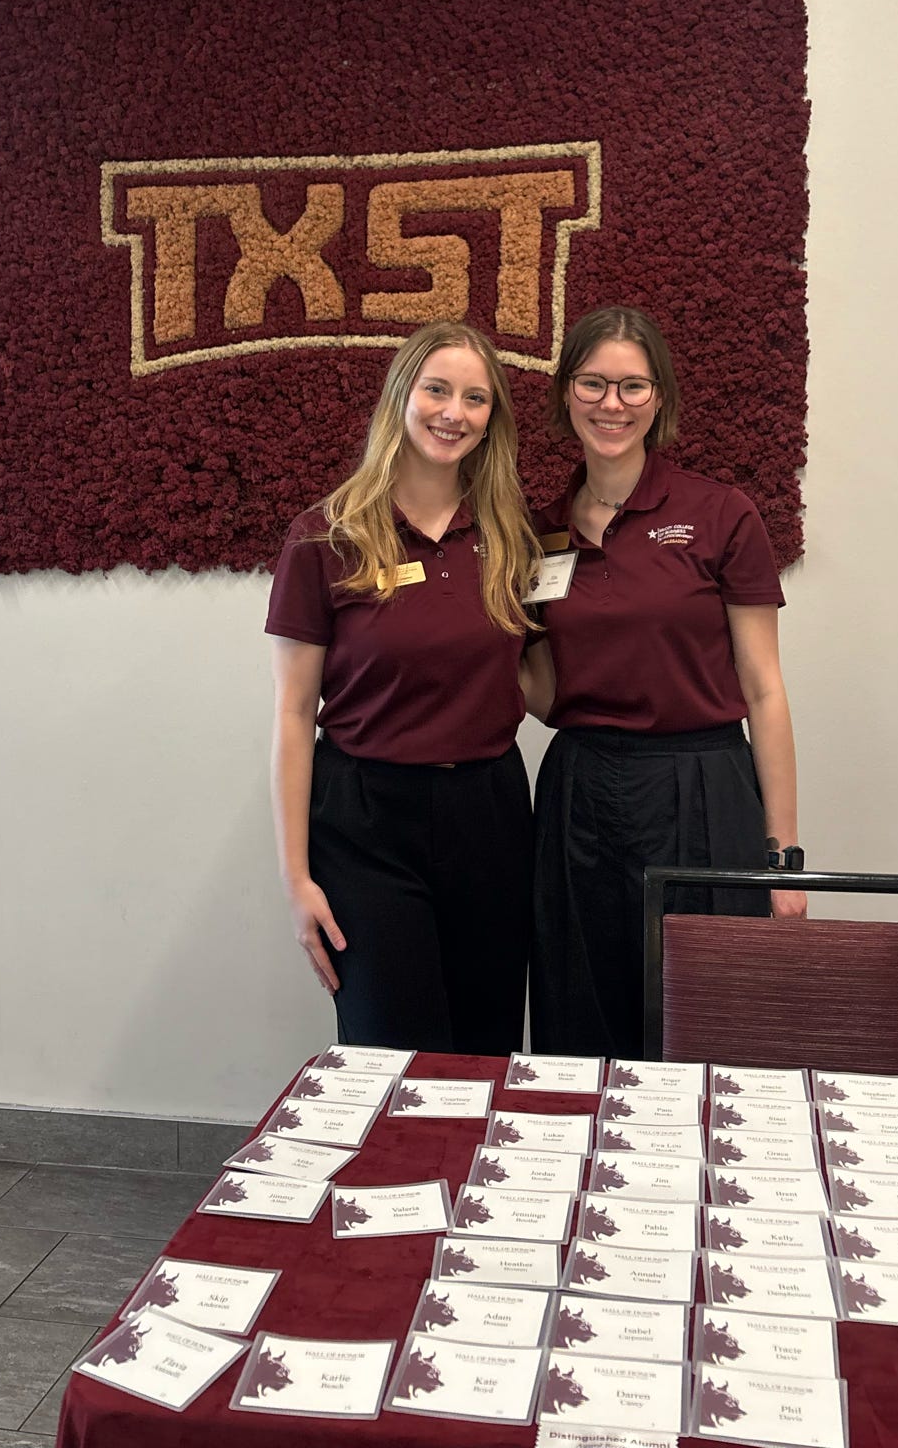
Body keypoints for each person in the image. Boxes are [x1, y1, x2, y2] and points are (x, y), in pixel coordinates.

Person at [523, 304, 805, 1059]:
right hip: (580, 792)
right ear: (565, 395)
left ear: (660, 399)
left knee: (709, 1021)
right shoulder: (539, 531)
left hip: (702, 789)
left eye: (632, 386)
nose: (611, 404)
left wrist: (783, 858)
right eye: (592, 384)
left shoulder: (721, 515)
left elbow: (764, 689)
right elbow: (548, 697)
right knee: (581, 1019)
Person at [265, 321, 539, 1053]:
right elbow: (294, 715)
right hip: (365, 825)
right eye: (438, 390)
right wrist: (296, 880)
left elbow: (536, 677)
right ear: (401, 396)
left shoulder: (514, 537)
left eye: (476, 399)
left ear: (492, 420)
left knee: (486, 1049)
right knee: (394, 1058)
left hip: (491, 813)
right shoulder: (325, 537)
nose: (454, 412)